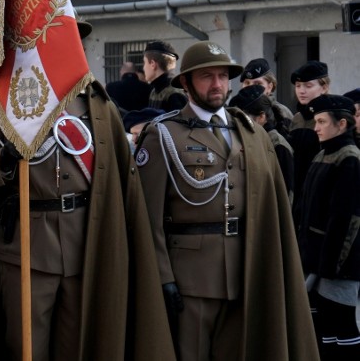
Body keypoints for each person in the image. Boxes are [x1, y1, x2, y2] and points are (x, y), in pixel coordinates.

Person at [0, 20, 175, 361]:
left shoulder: (97, 104)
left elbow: (120, 176)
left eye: (73, 40)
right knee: (25, 349)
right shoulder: (7, 103)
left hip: (84, 246)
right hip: (26, 248)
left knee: (77, 347)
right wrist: (3, 160)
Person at [136, 41, 318, 361]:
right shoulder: (163, 135)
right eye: (207, 76)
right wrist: (162, 277)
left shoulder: (250, 133)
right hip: (190, 277)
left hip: (245, 271)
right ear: (186, 83)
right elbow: (147, 218)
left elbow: (270, 206)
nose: (218, 84)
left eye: (223, 76)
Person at [295, 94, 360, 361]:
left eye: (322, 121)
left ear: (342, 124)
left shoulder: (350, 158)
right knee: (323, 327)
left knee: (342, 324)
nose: (316, 127)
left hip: (337, 265)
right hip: (316, 259)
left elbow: (346, 219)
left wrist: (331, 265)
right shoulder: (324, 153)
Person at [229, 84, 294, 201]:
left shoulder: (278, 145)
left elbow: (285, 194)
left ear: (262, 117)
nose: (238, 124)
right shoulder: (247, 140)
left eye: (244, 119)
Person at [289, 60, 330, 207]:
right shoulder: (297, 118)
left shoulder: (331, 118)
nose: (301, 91)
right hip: (297, 191)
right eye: (298, 86)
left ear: (324, 87)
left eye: (308, 86)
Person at [240, 57, 293, 137]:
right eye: (247, 83)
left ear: (270, 87)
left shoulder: (281, 112)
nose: (251, 88)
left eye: (258, 84)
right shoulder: (236, 110)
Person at [143, 40, 187, 112]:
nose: (143, 68)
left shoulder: (175, 94)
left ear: (152, 64)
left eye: (144, 62)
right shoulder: (155, 91)